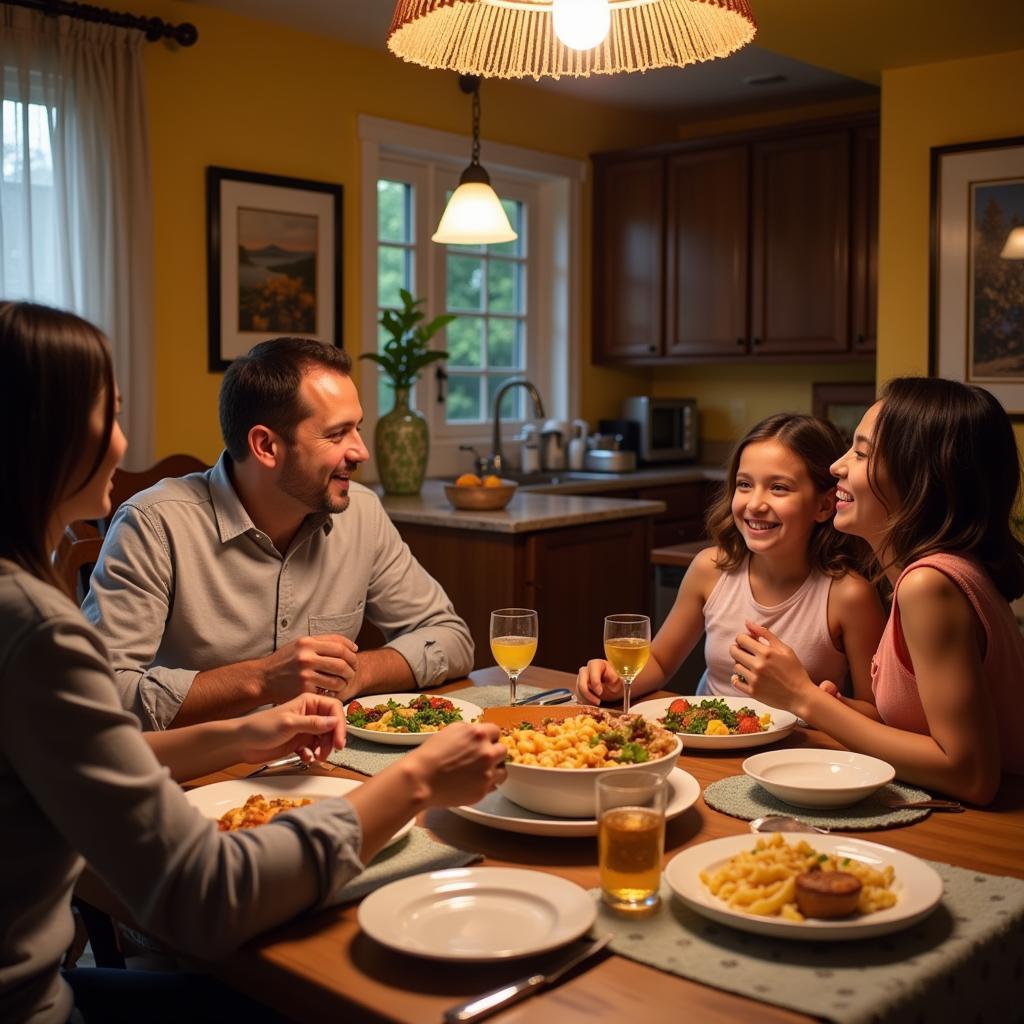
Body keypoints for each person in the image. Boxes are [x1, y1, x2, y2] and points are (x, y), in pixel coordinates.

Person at [0, 302, 507, 1023]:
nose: (122, 442)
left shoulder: (356, 513)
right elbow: (203, 897)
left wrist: (284, 711)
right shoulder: (48, 618)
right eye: (107, 416)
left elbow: (448, 634)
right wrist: (415, 781)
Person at [81, 337, 474, 729]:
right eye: (337, 434)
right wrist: (262, 680)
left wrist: (355, 674)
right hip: (202, 776)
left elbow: (451, 638)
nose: (360, 452)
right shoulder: (154, 524)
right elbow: (99, 695)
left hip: (324, 763)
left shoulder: (362, 513)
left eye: (357, 428)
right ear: (266, 446)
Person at [730, 378, 1024, 804]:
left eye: (862, 453)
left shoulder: (928, 585)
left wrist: (803, 697)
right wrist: (840, 710)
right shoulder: (943, 571)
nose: (837, 466)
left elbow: (972, 776)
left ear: (918, 475)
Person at [577, 413, 885, 708]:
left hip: (795, 757)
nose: (755, 503)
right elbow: (658, 661)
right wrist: (615, 679)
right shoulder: (709, 569)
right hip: (710, 748)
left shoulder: (849, 595)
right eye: (745, 484)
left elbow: (874, 714)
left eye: (779, 488)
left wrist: (821, 704)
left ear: (824, 505)